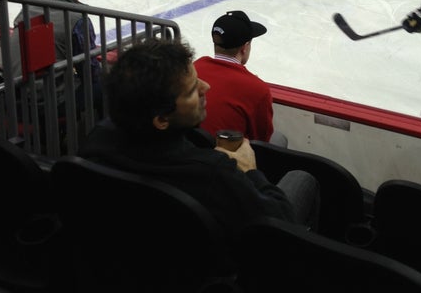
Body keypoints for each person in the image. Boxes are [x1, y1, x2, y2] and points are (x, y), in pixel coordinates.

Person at [78, 38, 320, 239]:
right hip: (214, 276)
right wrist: (249, 172)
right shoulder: (212, 172)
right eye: (193, 89)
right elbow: (282, 225)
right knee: (302, 179)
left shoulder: (98, 140)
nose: (206, 87)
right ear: (161, 119)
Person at [10, 0, 102, 115]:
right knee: (106, 87)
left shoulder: (27, 10)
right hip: (47, 100)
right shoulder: (77, 17)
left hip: (17, 94)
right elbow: (89, 70)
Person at [195, 10, 282, 144]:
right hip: (229, 160)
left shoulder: (193, 68)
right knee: (279, 140)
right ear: (245, 47)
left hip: (191, 152)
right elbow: (262, 140)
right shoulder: (257, 89)